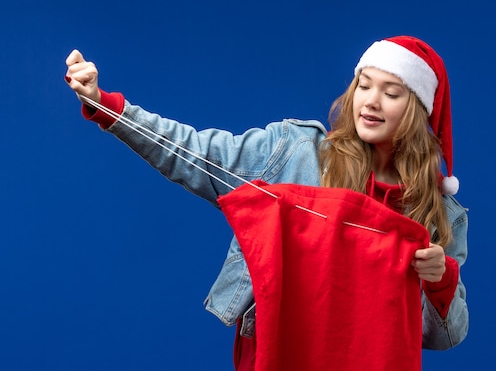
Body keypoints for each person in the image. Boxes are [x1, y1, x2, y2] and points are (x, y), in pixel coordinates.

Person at [64, 35, 469, 371]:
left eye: (391, 92)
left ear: (417, 110)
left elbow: (447, 335)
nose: (371, 101)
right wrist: (107, 106)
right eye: (364, 85)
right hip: (277, 352)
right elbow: (196, 154)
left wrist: (440, 278)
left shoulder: (438, 213)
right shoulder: (294, 151)